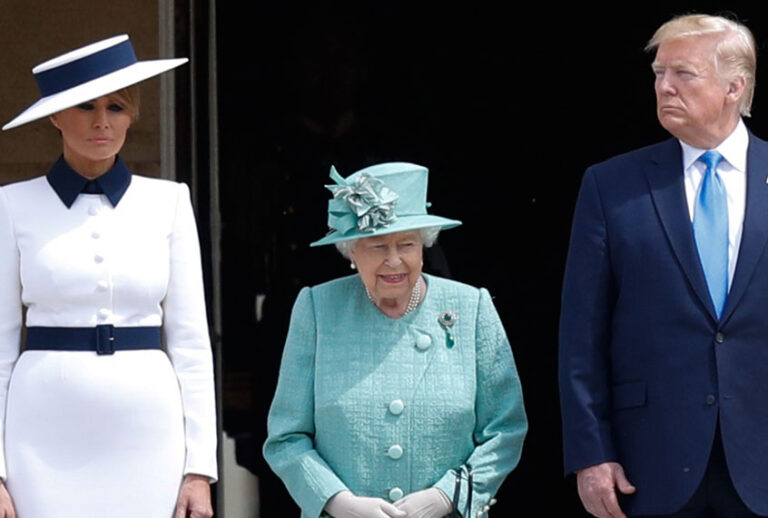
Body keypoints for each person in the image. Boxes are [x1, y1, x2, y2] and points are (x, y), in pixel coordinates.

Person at [559, 14, 768, 518]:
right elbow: (582, 333)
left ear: (734, 87)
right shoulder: (612, 185)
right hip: (648, 462)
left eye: (683, 74)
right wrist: (591, 453)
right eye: (658, 74)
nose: (663, 86)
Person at [0, 35, 217, 517]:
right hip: (40, 431)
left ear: (132, 114)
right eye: (85, 107)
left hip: (149, 430)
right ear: (55, 115)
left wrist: (199, 468)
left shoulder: (170, 201)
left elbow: (191, 344)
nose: (102, 121)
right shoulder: (13, 205)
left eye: (116, 107)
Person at [263, 162, 526, 518]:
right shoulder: (317, 309)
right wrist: (339, 503)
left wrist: (448, 496)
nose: (394, 260)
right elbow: (286, 438)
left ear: (424, 247)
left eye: (406, 244)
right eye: (376, 246)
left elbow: (505, 430)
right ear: (351, 252)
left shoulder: (471, 307)